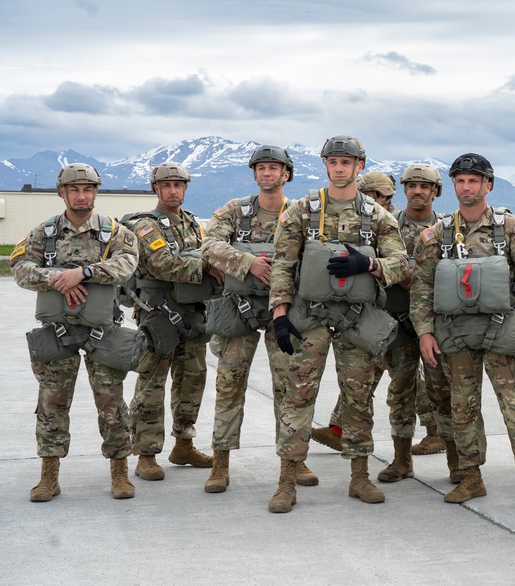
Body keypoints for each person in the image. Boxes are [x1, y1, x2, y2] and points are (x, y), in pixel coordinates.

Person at [266, 135, 408, 513]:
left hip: (355, 319)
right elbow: (282, 264)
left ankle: (359, 476)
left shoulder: (378, 216)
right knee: (297, 398)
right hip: (309, 316)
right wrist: (280, 314)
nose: (340, 167)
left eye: (347, 161)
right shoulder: (302, 210)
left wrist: (370, 264)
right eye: (333, 161)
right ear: (325, 165)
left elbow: (401, 264)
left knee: (358, 397)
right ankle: (286, 480)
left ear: (360, 166)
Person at [410, 153, 515, 509]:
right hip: (455, 335)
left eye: (474, 181)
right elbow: (421, 287)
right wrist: (425, 332)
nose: (466, 187)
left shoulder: (513, 230)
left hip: (501, 331)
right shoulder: (437, 234)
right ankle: (471, 477)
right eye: (460, 181)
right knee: (463, 408)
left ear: (488, 185)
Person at [12, 164, 139, 501]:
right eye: (74, 190)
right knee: (51, 403)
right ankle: (49, 476)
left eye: (88, 189)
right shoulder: (45, 231)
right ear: (62, 193)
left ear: (96, 192)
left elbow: (127, 264)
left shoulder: (115, 232)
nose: (81, 196)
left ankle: (120, 473)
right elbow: (20, 268)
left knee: (112, 404)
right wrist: (58, 279)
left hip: (102, 331)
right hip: (58, 330)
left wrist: (82, 274)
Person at [200, 145, 320, 492]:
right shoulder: (236, 211)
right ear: (255, 174)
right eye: (262, 168)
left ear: (287, 174)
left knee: (290, 388)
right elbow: (210, 245)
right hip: (238, 312)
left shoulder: (300, 213)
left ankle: (294, 462)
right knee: (228, 386)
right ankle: (220, 464)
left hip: (282, 311)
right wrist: (247, 262)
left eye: (275, 168)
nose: (268, 174)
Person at [129, 163, 224, 481]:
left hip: (193, 315)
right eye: (166, 185)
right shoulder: (145, 225)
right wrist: (207, 267)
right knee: (152, 383)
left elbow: (203, 253)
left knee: (192, 381)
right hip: (159, 315)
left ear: (185, 188)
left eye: (179, 185)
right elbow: (161, 264)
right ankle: (146, 454)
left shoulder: (193, 224)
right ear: (155, 188)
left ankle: (183, 444)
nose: (173, 190)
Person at [369, 163, 457, 482]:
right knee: (401, 389)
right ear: (404, 190)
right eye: (412, 185)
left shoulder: (447, 229)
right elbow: (373, 267)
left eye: (425, 186)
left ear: (435, 192)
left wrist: (417, 278)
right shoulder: (387, 226)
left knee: (442, 390)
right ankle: (402, 459)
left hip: (436, 325)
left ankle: (455, 461)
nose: (418, 191)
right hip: (397, 323)